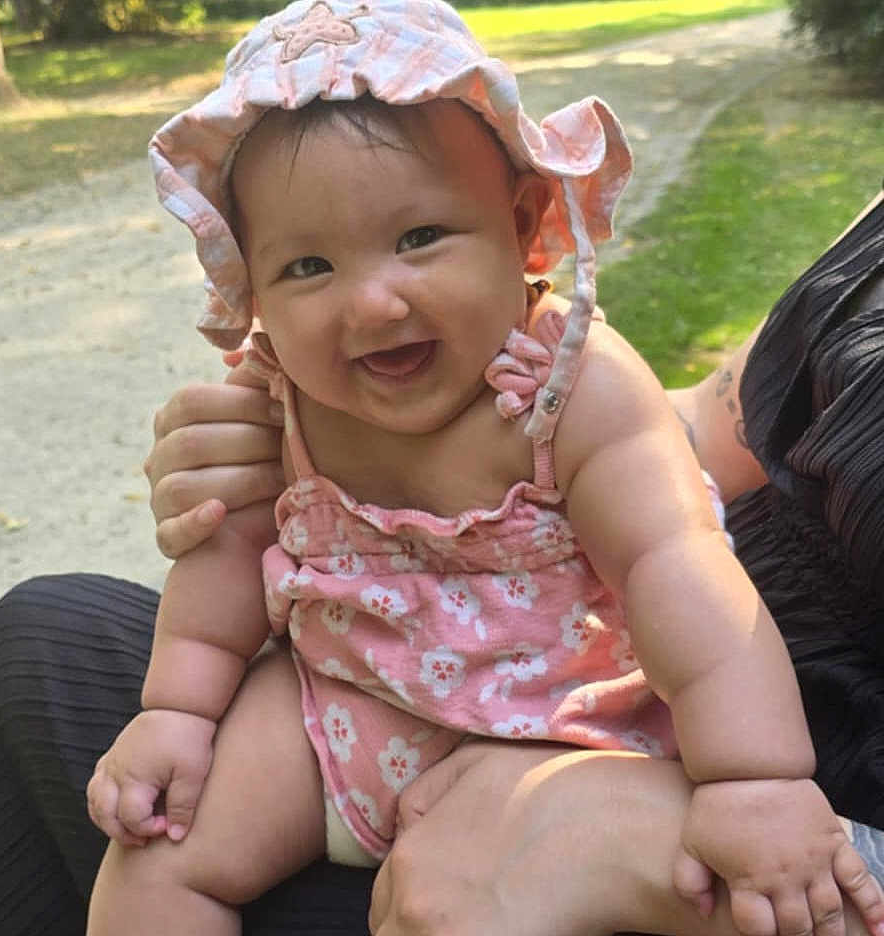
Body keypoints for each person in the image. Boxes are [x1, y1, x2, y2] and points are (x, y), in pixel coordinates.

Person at [74, 1, 882, 934]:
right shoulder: (286, 396)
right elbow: (223, 561)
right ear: (248, 288)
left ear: (525, 225)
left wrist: (754, 777)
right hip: (346, 709)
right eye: (306, 266)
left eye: (420, 239)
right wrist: (174, 712)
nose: (373, 302)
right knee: (159, 848)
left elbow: (678, 565)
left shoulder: (567, 390)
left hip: (574, 731)